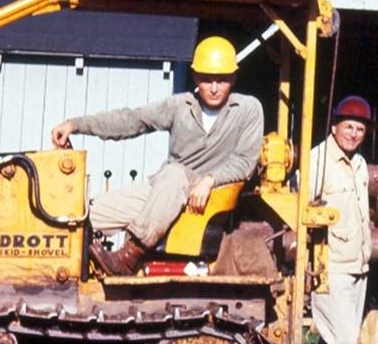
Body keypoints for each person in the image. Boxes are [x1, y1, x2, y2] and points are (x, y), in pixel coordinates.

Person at [51, 36, 264, 277]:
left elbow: (245, 161)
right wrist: (76, 125)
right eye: (207, 79)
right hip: (165, 192)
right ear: (195, 77)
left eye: (222, 80)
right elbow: (132, 120)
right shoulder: (180, 106)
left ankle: (130, 257)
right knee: (83, 215)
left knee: (174, 173)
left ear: (234, 78)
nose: (214, 87)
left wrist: (210, 179)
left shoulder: (248, 110)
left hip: (206, 199)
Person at [308, 95, 373, 344]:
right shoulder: (316, 162)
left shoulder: (360, 164)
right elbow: (298, 213)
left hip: (357, 264)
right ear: (334, 126)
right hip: (329, 264)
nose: (353, 133)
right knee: (344, 342)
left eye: (360, 129)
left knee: (333, 340)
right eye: (348, 126)